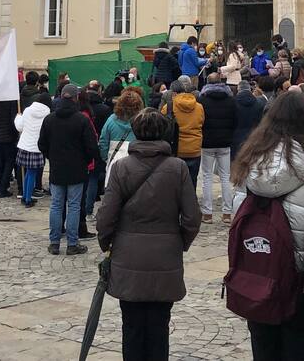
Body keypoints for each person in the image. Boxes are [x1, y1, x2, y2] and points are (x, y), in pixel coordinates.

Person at [231, 91, 304, 361]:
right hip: (302, 285)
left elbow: (237, 216)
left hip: (258, 276)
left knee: (264, 352)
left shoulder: (249, 164)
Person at [96, 109, 202, 361]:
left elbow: (105, 216)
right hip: (165, 255)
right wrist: (178, 242)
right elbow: (192, 217)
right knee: (159, 326)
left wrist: (107, 243)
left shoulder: (122, 167)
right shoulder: (177, 169)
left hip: (128, 254)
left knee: (131, 326)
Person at [38, 84, 98, 256]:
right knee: (73, 206)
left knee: (56, 205)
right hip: (77, 169)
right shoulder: (82, 120)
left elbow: (42, 144)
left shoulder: (49, 119)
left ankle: (55, 242)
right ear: (76, 98)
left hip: (57, 168)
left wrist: (52, 156)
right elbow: (91, 147)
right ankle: (72, 243)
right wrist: (85, 161)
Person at [198, 73, 236, 223]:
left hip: (207, 142)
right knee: (225, 177)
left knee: (207, 177)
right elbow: (235, 120)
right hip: (225, 142)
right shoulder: (230, 100)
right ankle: (227, 213)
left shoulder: (202, 100)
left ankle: (207, 213)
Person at [14, 94, 51, 207]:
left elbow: (19, 127)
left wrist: (18, 117)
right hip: (36, 146)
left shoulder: (27, 111)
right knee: (32, 173)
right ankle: (28, 199)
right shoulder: (47, 114)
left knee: (28, 173)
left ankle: (26, 196)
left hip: (25, 144)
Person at [99, 90, 142, 185]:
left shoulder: (111, 120)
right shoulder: (142, 121)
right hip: (137, 163)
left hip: (114, 161)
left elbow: (103, 142)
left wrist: (107, 158)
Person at [231, 80, 263, 161]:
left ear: (238, 89)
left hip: (235, 137)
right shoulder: (258, 103)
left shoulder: (233, 103)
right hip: (253, 137)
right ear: (250, 89)